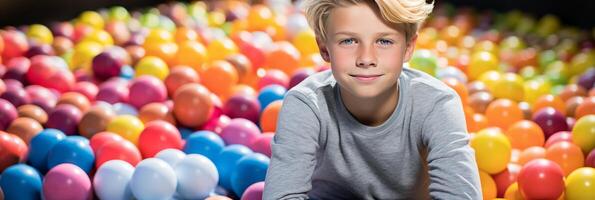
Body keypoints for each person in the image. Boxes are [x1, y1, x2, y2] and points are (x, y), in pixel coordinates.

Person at [263, 0, 482, 199]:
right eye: (348, 41)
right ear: (324, 48)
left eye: (384, 41)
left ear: (408, 48)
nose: (366, 58)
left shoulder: (437, 104)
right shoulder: (306, 104)